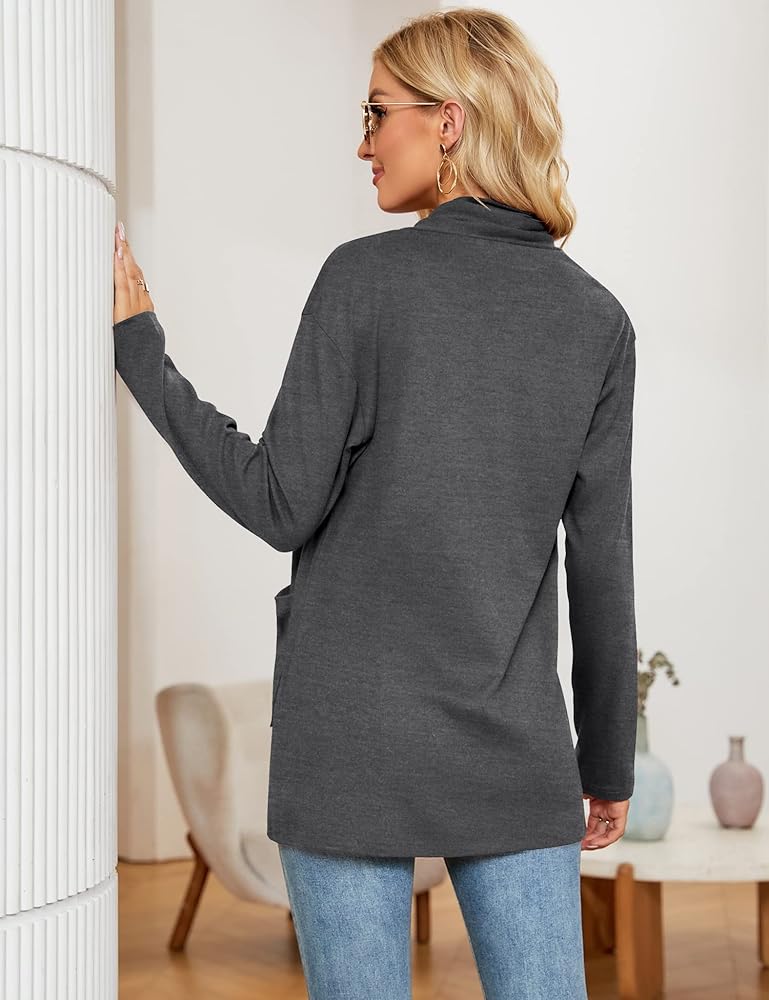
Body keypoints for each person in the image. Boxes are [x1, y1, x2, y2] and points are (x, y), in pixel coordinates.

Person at [113, 7, 638, 998]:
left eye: (376, 113)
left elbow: (279, 503)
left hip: (350, 734)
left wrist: (141, 351)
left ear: (449, 120)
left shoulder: (363, 279)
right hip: (513, 744)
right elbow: (602, 563)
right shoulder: (597, 321)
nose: (363, 144)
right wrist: (605, 762)